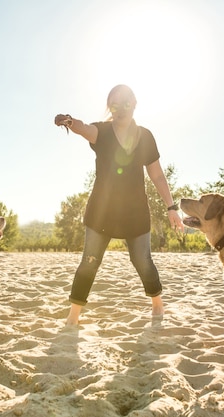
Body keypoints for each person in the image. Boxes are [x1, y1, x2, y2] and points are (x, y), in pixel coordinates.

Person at [54, 84, 185, 326]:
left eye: (125, 103)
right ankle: (73, 316)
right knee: (89, 262)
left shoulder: (145, 136)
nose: (120, 109)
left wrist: (171, 207)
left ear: (134, 104)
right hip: (101, 212)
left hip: (135, 212)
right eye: (114, 104)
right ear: (109, 108)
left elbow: (157, 175)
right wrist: (71, 122)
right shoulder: (101, 132)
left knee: (142, 261)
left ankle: (157, 303)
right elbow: (85, 128)